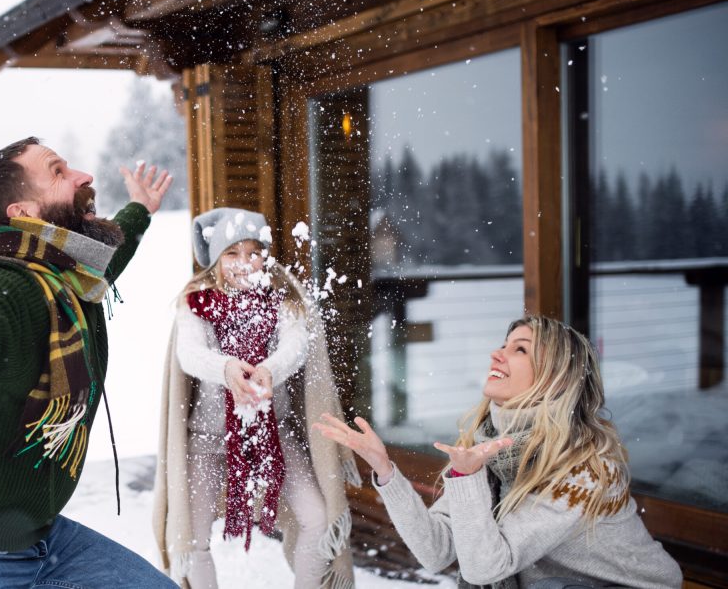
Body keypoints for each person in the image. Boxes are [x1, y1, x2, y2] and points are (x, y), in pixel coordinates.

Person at [0, 136, 177, 589]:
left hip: (42, 536)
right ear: (23, 214)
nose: (84, 176)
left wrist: (139, 208)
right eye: (59, 172)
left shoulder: (67, 270)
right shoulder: (6, 283)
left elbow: (108, 257)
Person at [315, 315, 683, 589]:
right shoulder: (488, 444)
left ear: (554, 377)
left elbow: (486, 566)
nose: (497, 353)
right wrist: (386, 471)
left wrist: (467, 477)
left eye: (519, 348)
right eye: (504, 344)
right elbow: (437, 551)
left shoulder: (585, 466)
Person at [153, 207, 361, 589]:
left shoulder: (283, 300)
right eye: (232, 253)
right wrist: (228, 368)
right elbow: (191, 354)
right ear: (216, 259)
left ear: (265, 256)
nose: (244, 262)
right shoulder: (196, 303)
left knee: (317, 517)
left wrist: (268, 369)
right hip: (208, 440)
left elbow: (296, 346)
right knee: (194, 538)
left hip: (274, 435)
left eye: (253, 252)